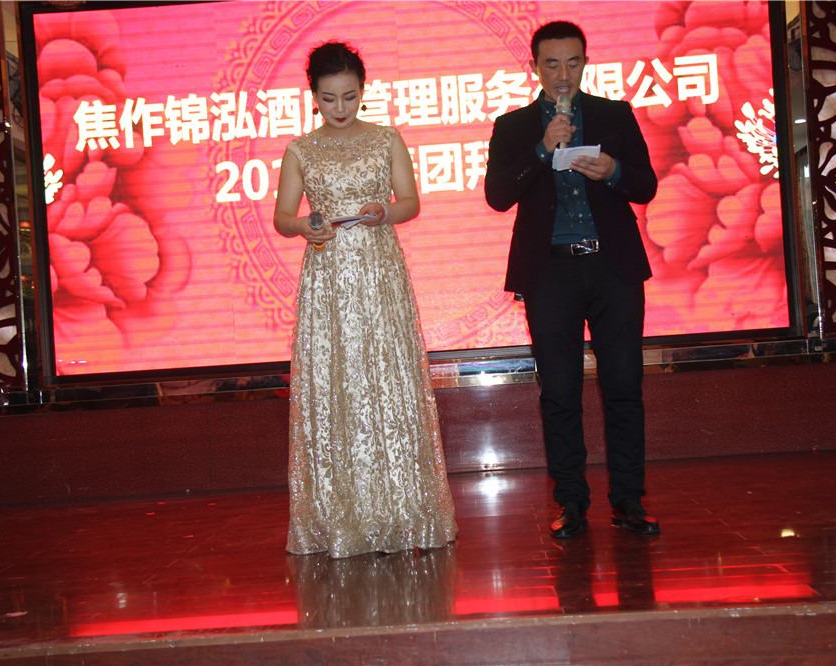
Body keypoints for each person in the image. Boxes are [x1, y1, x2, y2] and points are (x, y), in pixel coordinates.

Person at [273, 41, 457, 559]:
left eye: (349, 96)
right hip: (328, 277)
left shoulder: (386, 138)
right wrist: (304, 226)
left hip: (379, 273)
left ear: (363, 91)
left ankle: (404, 513)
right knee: (336, 383)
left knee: (387, 378)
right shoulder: (300, 150)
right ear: (313, 95)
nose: (340, 107)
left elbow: (410, 202)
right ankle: (341, 517)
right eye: (328, 98)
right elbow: (282, 217)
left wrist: (384, 213)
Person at [484, 21, 660, 537]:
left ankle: (628, 500)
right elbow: (498, 195)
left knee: (623, 386)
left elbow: (646, 185)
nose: (563, 74)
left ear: (585, 62)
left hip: (613, 268)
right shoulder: (513, 126)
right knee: (559, 391)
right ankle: (571, 502)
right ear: (535, 67)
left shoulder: (614, 114)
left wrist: (614, 172)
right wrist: (542, 150)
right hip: (550, 273)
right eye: (552, 64)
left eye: (573, 62)